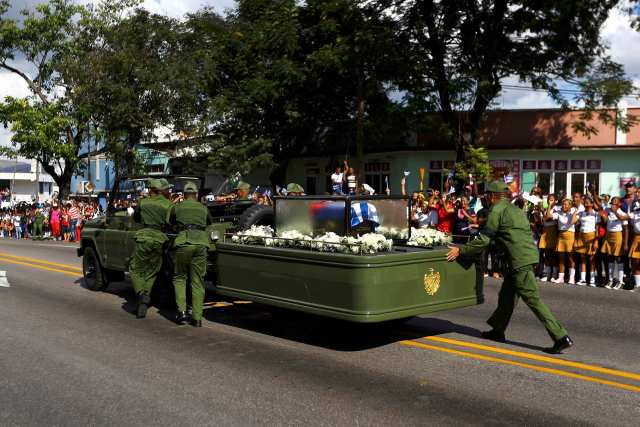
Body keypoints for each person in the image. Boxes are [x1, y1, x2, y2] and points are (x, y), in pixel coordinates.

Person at [446, 181, 573, 354]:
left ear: (492, 196)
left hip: (519, 260)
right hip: (525, 257)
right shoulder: (515, 209)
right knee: (506, 295)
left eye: (486, 196)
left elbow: (484, 239)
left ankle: (560, 336)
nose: (486, 200)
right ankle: (498, 330)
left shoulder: (496, 210)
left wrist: (461, 251)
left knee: (532, 299)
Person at [166, 182, 211, 327]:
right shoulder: (203, 208)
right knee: (197, 281)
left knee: (179, 278)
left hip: (184, 241)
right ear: (196, 195)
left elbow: (169, 221)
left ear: (184, 195)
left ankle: (182, 313)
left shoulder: (177, 207)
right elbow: (209, 222)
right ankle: (197, 318)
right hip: (201, 244)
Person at [130, 178, 173, 319]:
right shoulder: (168, 204)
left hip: (144, 237)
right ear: (161, 191)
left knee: (135, 269)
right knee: (152, 271)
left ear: (151, 190)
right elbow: (172, 222)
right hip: (160, 239)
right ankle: (144, 299)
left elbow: (135, 218)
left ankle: (141, 294)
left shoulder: (143, 202)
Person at [600, 196, 628, 289]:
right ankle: (611, 280)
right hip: (609, 235)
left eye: (615, 202)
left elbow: (626, 229)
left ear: (619, 204)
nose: (613, 203)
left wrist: (625, 243)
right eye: (612, 202)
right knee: (610, 258)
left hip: (618, 236)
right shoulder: (608, 211)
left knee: (619, 258)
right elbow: (598, 207)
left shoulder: (622, 213)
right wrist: (594, 193)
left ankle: (620, 281)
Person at [551, 199, 578, 284]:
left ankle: (571, 278)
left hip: (570, 235)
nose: (564, 206)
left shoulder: (573, 213)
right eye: (563, 204)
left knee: (570, 258)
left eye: (566, 205)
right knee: (561, 258)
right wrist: (549, 205)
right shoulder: (559, 213)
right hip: (561, 236)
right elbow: (548, 216)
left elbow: (573, 221)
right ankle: (561, 277)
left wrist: (574, 211)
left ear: (570, 206)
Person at [574, 197, 599, 286]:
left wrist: (596, 241)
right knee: (582, 258)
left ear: (592, 204)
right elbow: (575, 224)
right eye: (585, 202)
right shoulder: (581, 213)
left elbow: (597, 228)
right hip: (582, 235)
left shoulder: (595, 214)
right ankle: (583, 279)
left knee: (592, 259)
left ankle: (592, 280)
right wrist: (576, 240)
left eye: (588, 202)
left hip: (591, 236)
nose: (586, 204)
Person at [538, 195, 558, 282]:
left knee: (553, 254)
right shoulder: (546, 209)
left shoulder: (556, 209)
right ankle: (547, 273)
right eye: (549, 200)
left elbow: (549, 217)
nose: (550, 201)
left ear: (555, 201)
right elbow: (544, 220)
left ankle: (554, 274)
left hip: (553, 231)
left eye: (552, 200)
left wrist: (549, 206)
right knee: (546, 254)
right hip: (545, 231)